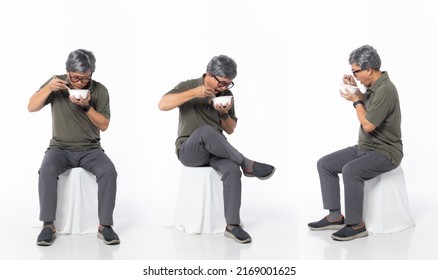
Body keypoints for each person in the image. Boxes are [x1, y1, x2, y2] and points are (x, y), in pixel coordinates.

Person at [158, 55, 276, 244]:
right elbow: (162, 105)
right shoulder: (189, 85)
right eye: (222, 83)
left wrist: (224, 113)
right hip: (189, 151)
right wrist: (194, 92)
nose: (224, 88)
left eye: (229, 84)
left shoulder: (225, 96)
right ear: (209, 75)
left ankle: (232, 225)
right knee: (205, 131)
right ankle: (247, 164)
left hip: (217, 150)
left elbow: (230, 129)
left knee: (231, 168)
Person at [308, 45, 403, 241]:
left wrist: (355, 101)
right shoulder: (374, 87)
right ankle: (335, 216)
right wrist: (355, 90)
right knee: (325, 164)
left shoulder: (386, 89)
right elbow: (366, 106)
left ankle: (356, 225)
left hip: (386, 152)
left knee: (351, 170)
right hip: (366, 148)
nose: (355, 75)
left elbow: (368, 124)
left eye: (356, 71)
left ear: (369, 69)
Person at [28, 49, 120, 246]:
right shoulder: (56, 84)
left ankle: (105, 226)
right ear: (67, 72)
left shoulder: (100, 90)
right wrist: (48, 89)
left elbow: (103, 125)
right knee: (46, 170)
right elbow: (31, 107)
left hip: (90, 149)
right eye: (75, 78)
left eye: (84, 79)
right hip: (59, 148)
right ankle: (48, 225)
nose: (79, 82)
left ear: (91, 74)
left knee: (108, 171)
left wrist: (86, 106)